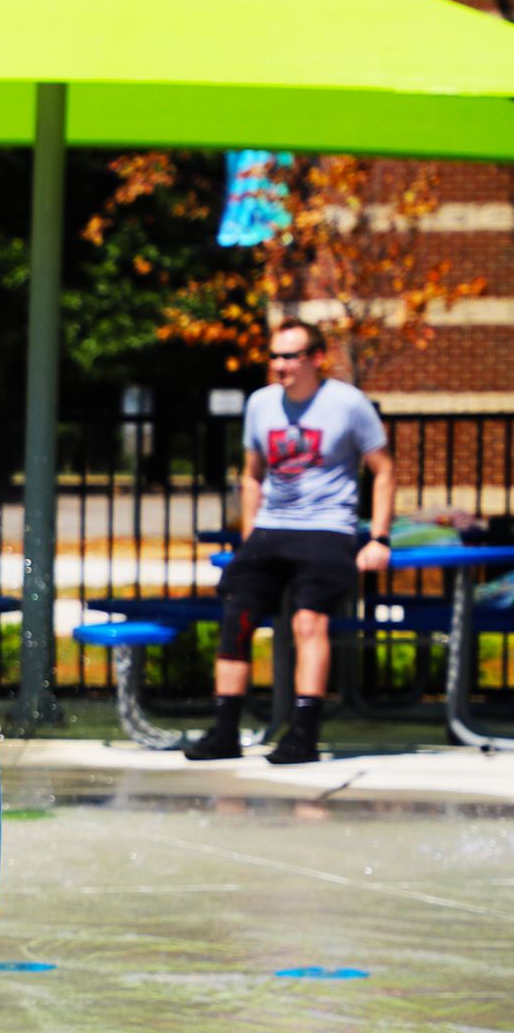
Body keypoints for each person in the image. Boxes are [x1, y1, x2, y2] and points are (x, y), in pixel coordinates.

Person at [183, 321, 393, 765]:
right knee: (235, 620)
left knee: (307, 623)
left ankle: (303, 736)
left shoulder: (347, 403)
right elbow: (253, 474)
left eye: (289, 356)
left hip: (328, 527)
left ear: (316, 358)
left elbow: (384, 469)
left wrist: (378, 536)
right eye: (274, 356)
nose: (280, 366)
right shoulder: (261, 404)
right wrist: (249, 539)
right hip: (273, 528)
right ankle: (224, 733)